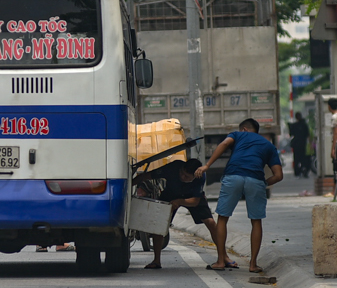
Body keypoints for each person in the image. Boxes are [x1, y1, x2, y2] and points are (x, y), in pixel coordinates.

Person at [196, 118, 284, 273]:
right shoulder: (268, 146)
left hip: (233, 176)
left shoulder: (237, 135)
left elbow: (223, 144)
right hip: (256, 179)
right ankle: (253, 264)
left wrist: (207, 165)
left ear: (244, 129)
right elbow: (278, 176)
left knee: (223, 218)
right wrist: (263, 183)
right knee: (256, 221)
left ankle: (220, 261)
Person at [132, 158, 220, 270]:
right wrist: (129, 184)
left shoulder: (200, 176)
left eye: (187, 177)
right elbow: (147, 176)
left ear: (194, 176)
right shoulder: (173, 167)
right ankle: (156, 260)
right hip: (171, 194)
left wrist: (179, 201)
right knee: (158, 224)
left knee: (211, 222)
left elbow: (195, 202)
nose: (183, 177)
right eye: (182, 174)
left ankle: (223, 257)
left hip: (192, 197)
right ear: (181, 169)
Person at [289, 112, 311, 178]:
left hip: (296, 144)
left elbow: (291, 134)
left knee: (296, 158)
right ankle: (304, 169)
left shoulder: (294, 125)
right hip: (303, 144)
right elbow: (308, 135)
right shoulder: (304, 125)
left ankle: (297, 171)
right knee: (304, 158)